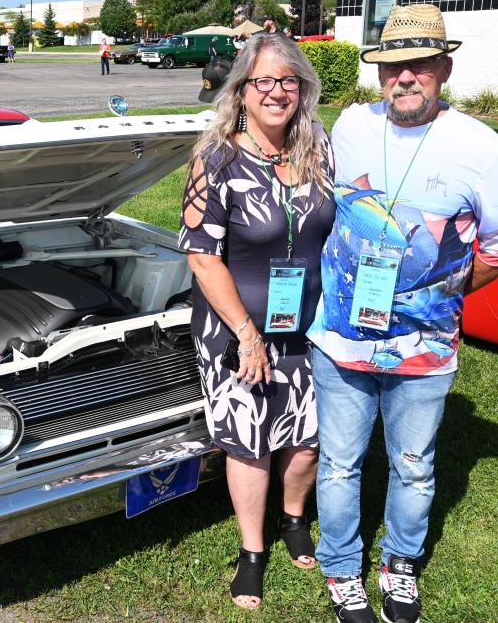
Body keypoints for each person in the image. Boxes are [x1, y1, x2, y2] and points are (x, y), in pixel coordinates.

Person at [307, 4, 498, 623]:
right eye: (392, 67)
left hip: (425, 347)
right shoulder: (349, 124)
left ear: (444, 69)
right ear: (378, 75)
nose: (404, 77)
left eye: (420, 66)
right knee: (340, 463)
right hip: (340, 341)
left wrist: (446, 291)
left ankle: (400, 565)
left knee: (414, 468)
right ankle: (342, 567)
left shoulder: (481, 149)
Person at [179, 33, 335, 610]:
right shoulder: (216, 157)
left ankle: (294, 518)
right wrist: (247, 333)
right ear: (241, 91)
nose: (276, 92)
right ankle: (252, 551)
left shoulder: (318, 149)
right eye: (262, 82)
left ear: (302, 88)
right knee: (249, 441)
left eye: (287, 80)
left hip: (310, 324)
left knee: (310, 434)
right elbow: (201, 254)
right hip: (234, 327)